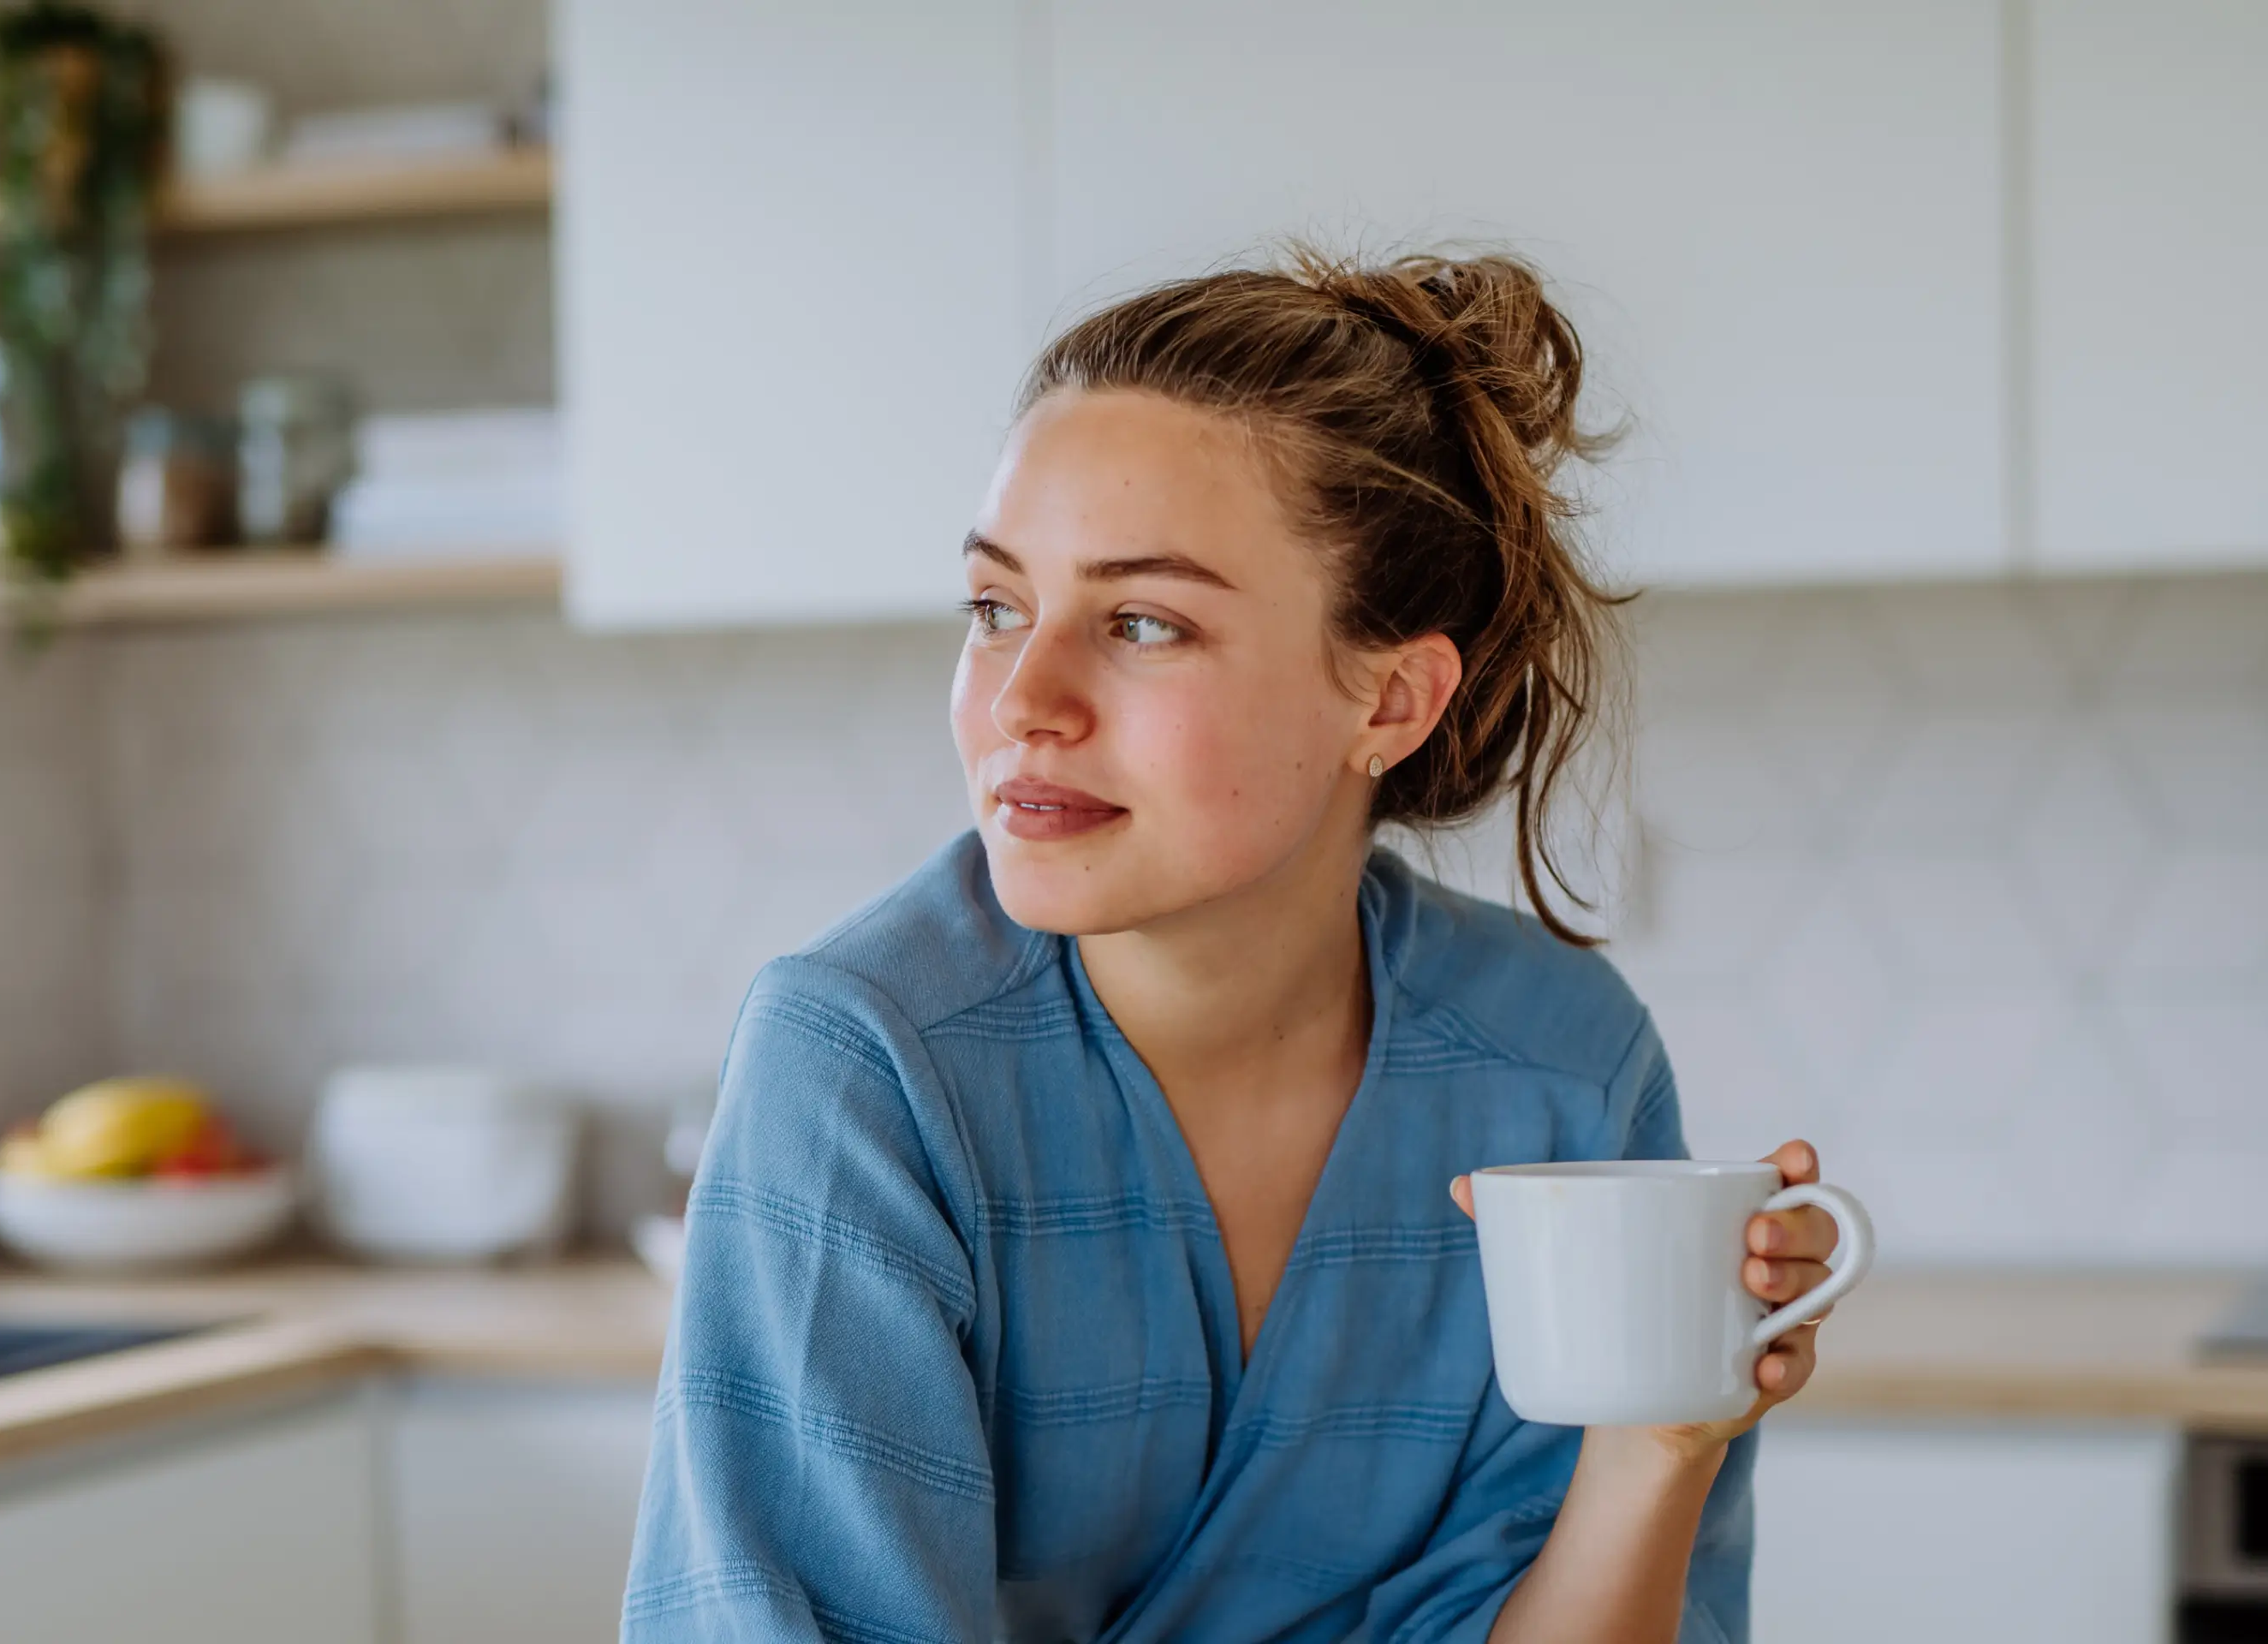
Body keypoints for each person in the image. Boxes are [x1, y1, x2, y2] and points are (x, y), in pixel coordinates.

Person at [622, 247, 1846, 1644]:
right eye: (994, 608)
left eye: (1144, 622)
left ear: (1390, 699)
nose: (1025, 698)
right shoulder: (865, 1068)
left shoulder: (1559, 1067)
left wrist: (1663, 1441)